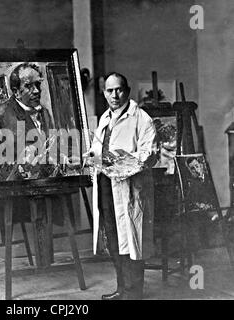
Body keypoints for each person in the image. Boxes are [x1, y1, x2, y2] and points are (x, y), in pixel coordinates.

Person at [86, 72, 157, 300]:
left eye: (118, 90)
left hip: (129, 188)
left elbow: (150, 154)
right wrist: (90, 157)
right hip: (106, 185)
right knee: (114, 239)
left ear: (126, 90)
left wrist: (119, 161)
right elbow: (98, 151)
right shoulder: (104, 119)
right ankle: (121, 289)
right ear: (104, 93)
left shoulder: (141, 118)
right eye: (109, 91)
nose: (114, 95)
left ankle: (133, 293)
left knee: (133, 240)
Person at [0, 62, 54, 181]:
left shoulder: (44, 113)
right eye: (29, 86)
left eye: (38, 84)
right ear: (16, 91)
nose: (37, 91)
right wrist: (22, 165)